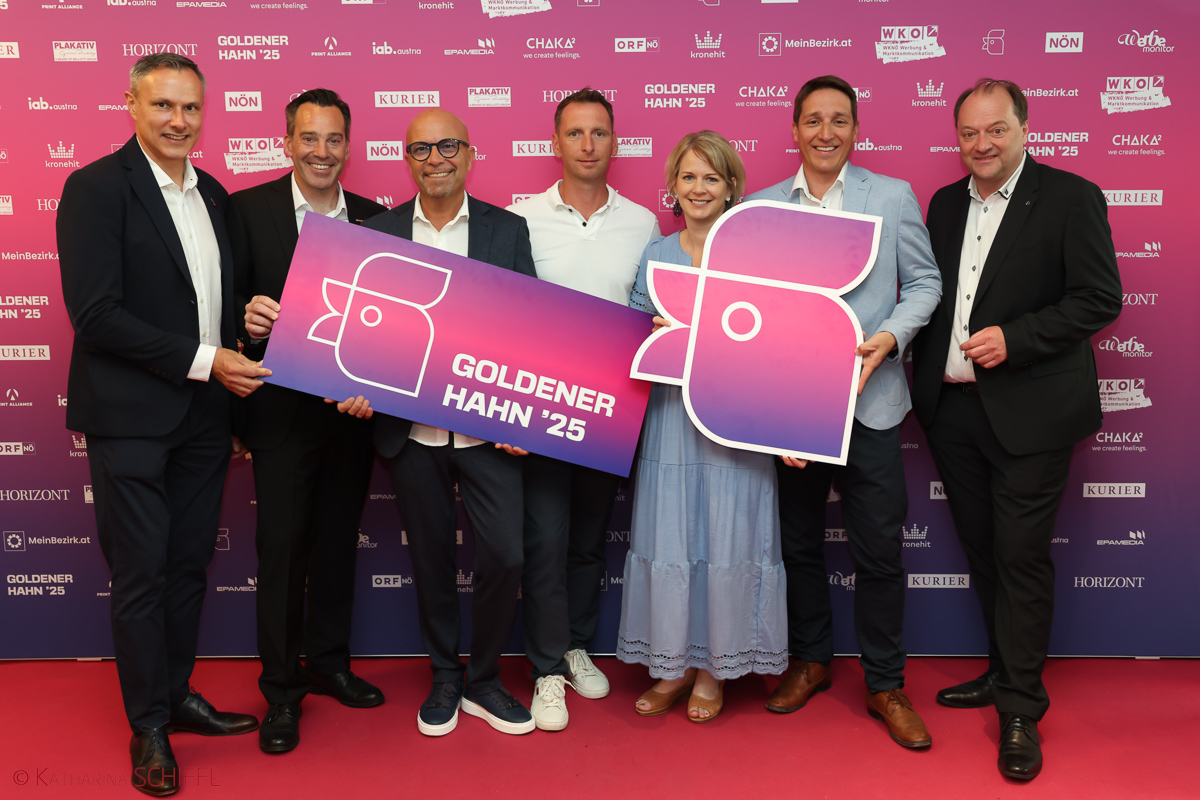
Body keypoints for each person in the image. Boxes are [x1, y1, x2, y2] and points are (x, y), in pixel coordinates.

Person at [57, 53, 267, 796]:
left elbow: (211, 304)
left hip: (204, 418)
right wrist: (208, 361)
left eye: (191, 108)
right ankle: (148, 725)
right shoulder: (95, 188)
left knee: (186, 567)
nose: (179, 121)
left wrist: (245, 327)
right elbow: (96, 315)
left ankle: (176, 695)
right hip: (131, 419)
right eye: (163, 106)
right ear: (132, 105)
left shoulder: (214, 193)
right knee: (142, 574)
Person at [911, 78, 1122, 780]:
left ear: (1024, 128)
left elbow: (1099, 297)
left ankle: (1022, 710)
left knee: (1022, 556)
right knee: (985, 552)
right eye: (969, 133)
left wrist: (1018, 338)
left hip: (1032, 412)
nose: (982, 144)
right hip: (953, 413)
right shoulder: (944, 204)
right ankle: (1005, 672)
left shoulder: (1070, 197)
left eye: (995, 129)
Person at [745, 74, 942, 748]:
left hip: (873, 405)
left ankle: (886, 683)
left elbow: (925, 282)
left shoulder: (891, 196)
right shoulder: (762, 207)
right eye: (813, 120)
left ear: (856, 129)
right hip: (794, 408)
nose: (825, 132)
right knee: (799, 545)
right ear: (794, 129)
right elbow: (752, 310)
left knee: (879, 551)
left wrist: (889, 339)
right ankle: (811, 661)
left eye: (839, 120)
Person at [362, 108, 538, 737]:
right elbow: (364, 332)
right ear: (406, 159)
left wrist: (523, 417)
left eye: (447, 146)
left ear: (469, 153)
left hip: (490, 433)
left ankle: (484, 680)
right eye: (421, 149)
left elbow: (528, 327)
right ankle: (444, 675)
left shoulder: (506, 229)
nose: (435, 158)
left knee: (506, 555)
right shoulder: (376, 232)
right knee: (431, 559)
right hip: (411, 435)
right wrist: (357, 390)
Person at [227, 88, 387, 754]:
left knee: (337, 544)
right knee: (284, 553)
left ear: (348, 145)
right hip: (279, 415)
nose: (322, 151)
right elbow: (220, 303)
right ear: (288, 142)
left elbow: (393, 327)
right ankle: (281, 690)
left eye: (334, 139)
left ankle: (328, 663)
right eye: (310, 138)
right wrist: (246, 320)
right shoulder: (245, 211)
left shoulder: (377, 220)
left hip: (351, 416)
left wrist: (375, 387)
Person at [616, 130, 787, 723]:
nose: (698, 188)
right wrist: (652, 333)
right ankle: (672, 666)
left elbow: (778, 344)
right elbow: (632, 337)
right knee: (671, 538)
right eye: (688, 177)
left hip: (736, 424)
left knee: (728, 539)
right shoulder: (656, 254)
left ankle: (714, 670)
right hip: (669, 419)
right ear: (673, 186)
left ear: (731, 187)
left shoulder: (755, 257)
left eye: (711, 177)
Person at [507, 87, 660, 729]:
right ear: (555, 143)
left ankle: (573, 645)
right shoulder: (519, 218)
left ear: (615, 143)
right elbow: (502, 316)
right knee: (545, 538)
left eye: (599, 133)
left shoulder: (643, 223)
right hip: (542, 407)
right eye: (575, 133)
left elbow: (653, 312)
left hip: (611, 409)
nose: (588, 145)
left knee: (590, 539)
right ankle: (546, 669)